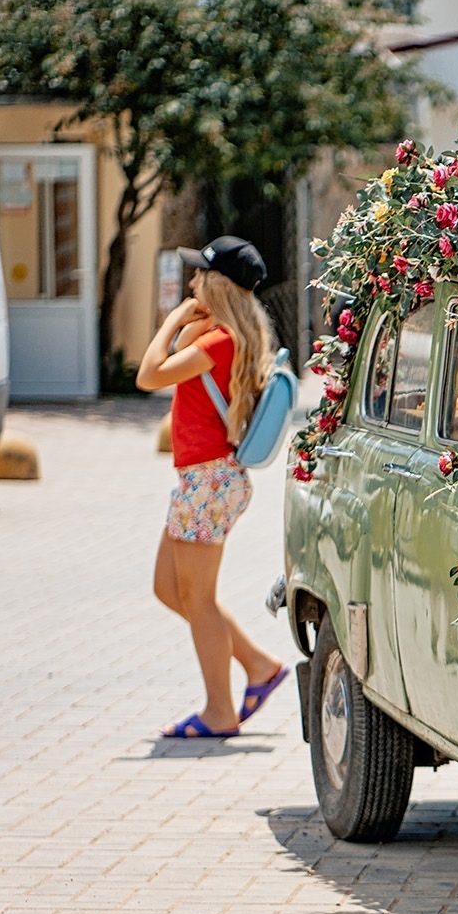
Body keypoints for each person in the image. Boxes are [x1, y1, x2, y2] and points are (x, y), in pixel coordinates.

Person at [136, 236, 287, 739]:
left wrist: (174, 319)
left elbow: (149, 375)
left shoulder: (218, 342)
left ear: (217, 284)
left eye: (200, 273)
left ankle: (220, 711)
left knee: (197, 598)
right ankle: (258, 666)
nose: (192, 281)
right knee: (169, 587)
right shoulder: (222, 335)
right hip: (204, 479)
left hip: (208, 480)